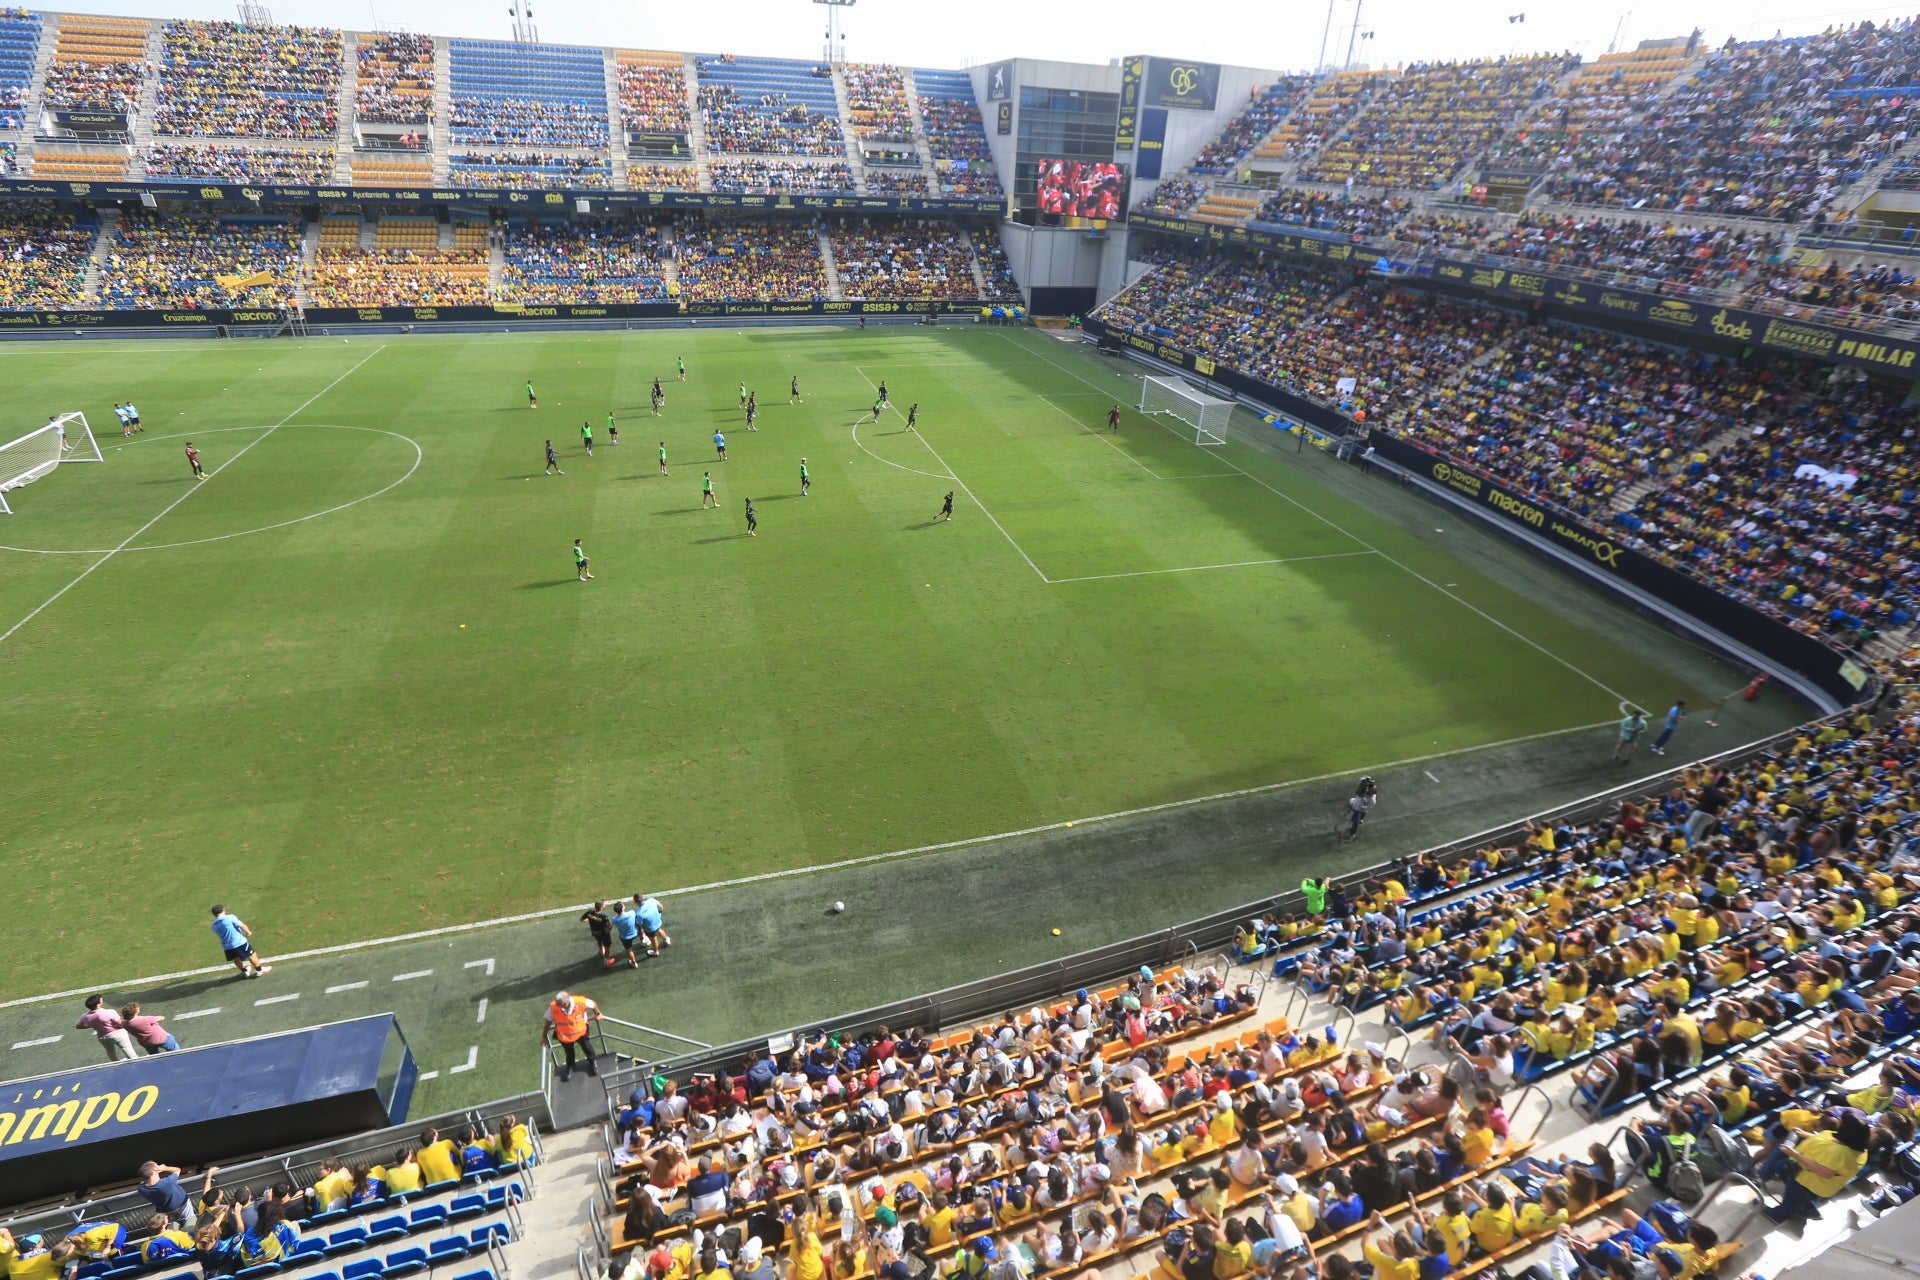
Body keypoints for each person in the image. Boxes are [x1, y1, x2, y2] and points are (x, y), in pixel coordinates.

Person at [541, 991, 602, 1081]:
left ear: (566, 1003)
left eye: (560, 1005)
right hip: (564, 1036)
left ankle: (593, 1062)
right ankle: (571, 1066)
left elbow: (593, 1004)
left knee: (587, 1047)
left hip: (581, 1032)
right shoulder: (554, 1007)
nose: (558, 1006)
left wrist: (598, 1014)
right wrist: (544, 1035)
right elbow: (548, 1021)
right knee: (569, 1053)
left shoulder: (580, 1001)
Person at [211, 904, 270, 978]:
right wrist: (248, 932)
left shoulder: (213, 925)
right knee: (252, 955)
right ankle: (260, 970)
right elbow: (242, 925)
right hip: (239, 943)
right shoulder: (230, 917)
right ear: (223, 910)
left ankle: (245, 971)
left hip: (227, 946)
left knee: (236, 959)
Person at [136, 1161, 198, 1230]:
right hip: (183, 1205)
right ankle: (191, 1233)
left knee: (172, 1227)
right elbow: (178, 1170)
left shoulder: (141, 1189)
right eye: (157, 1165)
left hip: (166, 1211)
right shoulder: (167, 1182)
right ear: (155, 1170)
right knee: (190, 1220)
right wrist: (165, 1168)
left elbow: (143, 1184)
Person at [77, 994, 137, 1061]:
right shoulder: (109, 1012)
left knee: (110, 1052)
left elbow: (79, 1026)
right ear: (98, 1003)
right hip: (118, 1034)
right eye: (101, 1000)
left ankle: (116, 1063)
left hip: (102, 1037)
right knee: (127, 1048)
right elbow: (120, 1023)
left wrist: (93, 1025)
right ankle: (135, 1061)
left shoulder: (84, 1016)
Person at [610, 899, 643, 967]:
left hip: (625, 937)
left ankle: (634, 963)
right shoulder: (631, 912)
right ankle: (643, 940)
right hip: (636, 933)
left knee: (629, 950)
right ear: (623, 908)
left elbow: (612, 925)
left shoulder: (614, 919)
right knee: (639, 926)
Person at [582, 900, 615, 967]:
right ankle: (606, 962)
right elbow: (607, 930)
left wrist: (591, 919)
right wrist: (612, 924)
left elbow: (582, 919)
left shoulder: (589, 913)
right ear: (602, 907)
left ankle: (601, 951)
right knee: (607, 947)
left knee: (599, 941)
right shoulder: (604, 917)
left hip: (595, 932)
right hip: (604, 935)